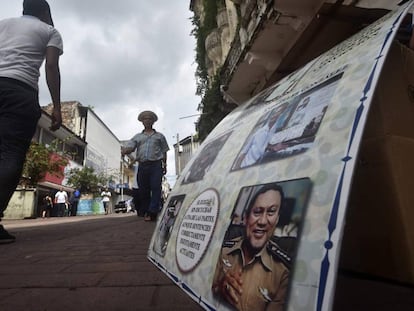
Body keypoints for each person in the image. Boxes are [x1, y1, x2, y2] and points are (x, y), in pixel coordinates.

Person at [0, 0, 63, 243]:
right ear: (46, 12)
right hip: (20, 91)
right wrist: (56, 107)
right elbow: (51, 67)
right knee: (10, 154)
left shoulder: (3, 24)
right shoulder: (50, 32)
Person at [212, 183, 290, 311]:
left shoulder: (282, 273)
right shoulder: (224, 251)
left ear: (277, 219)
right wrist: (220, 288)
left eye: (271, 212)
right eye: (257, 212)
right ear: (246, 217)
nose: (263, 221)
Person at [121, 110, 169, 221]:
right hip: (142, 165)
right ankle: (147, 211)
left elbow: (164, 151)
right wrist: (125, 150)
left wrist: (165, 164)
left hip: (156, 165)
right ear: (142, 122)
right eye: (145, 119)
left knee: (156, 188)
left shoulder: (160, 136)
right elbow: (130, 147)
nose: (147, 120)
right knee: (143, 190)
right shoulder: (137, 137)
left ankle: (153, 212)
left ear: (153, 121)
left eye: (149, 118)